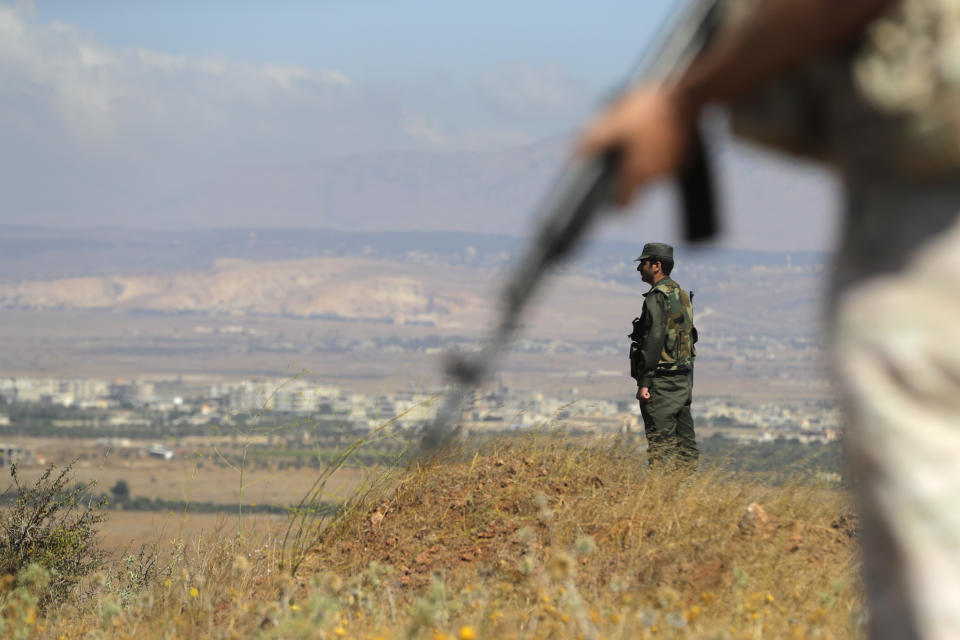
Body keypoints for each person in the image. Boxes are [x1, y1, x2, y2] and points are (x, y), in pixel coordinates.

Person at [579, 1, 960, 638]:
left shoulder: (663, 298)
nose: (643, 270)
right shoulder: (680, 295)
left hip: (925, 212)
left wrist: (687, 96)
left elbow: (663, 341)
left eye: (648, 263)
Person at [629, 242, 698, 464]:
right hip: (683, 380)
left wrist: (645, 382)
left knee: (662, 448)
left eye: (643, 263)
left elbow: (654, 338)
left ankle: (663, 495)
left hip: (662, 382)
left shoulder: (657, 296)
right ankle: (686, 493)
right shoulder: (680, 293)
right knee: (685, 447)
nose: (639, 268)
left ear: (656, 265)